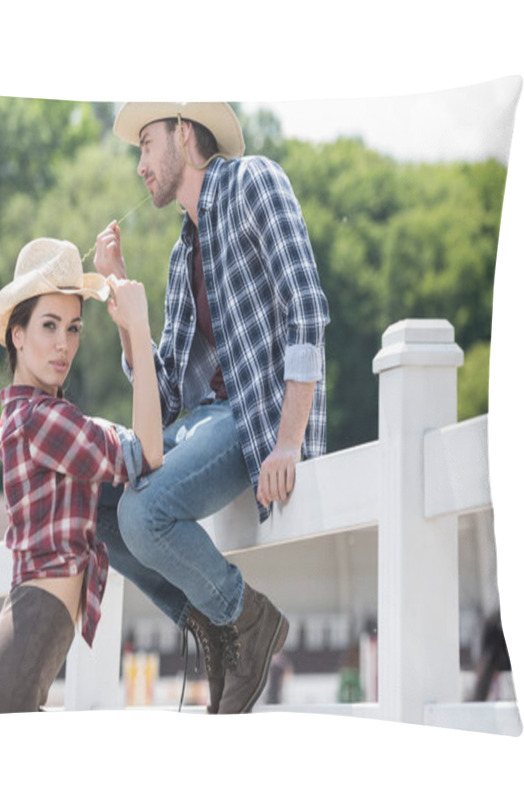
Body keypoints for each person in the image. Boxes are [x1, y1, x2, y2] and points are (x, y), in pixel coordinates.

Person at [93, 102, 330, 714]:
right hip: (203, 421)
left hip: (256, 419)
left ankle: (247, 622)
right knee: (99, 507)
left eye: (147, 145)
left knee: (143, 516)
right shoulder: (181, 255)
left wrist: (287, 438)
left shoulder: (255, 180)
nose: (141, 166)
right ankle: (220, 629)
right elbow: (167, 390)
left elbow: (306, 305)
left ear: (185, 133)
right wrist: (122, 305)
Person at [0, 237, 163, 717]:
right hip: (2, 680)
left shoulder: (47, 418)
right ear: (17, 335)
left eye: (73, 327)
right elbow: (150, 451)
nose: (63, 343)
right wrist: (139, 324)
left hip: (11, 670)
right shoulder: (40, 421)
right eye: (48, 326)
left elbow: (142, 434)